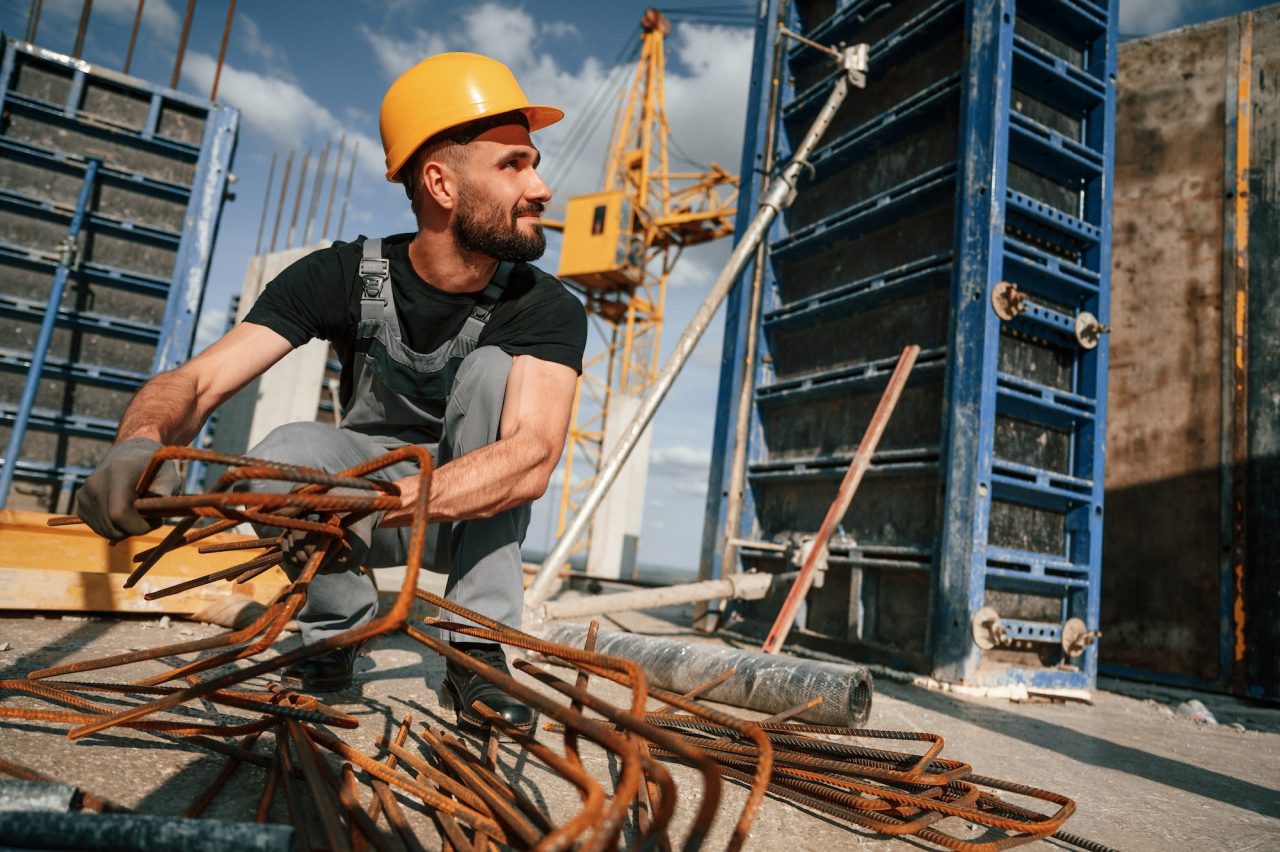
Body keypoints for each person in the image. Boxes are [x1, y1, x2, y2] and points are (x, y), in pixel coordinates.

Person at [72, 53, 587, 734]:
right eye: (513, 165)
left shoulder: (544, 305)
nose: (542, 187)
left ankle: (477, 652)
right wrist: (139, 442)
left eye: (534, 163)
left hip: (460, 519)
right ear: (440, 183)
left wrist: (369, 503)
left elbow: (530, 457)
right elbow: (197, 381)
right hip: (364, 503)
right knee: (280, 452)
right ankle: (334, 633)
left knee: (494, 373)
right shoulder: (344, 276)